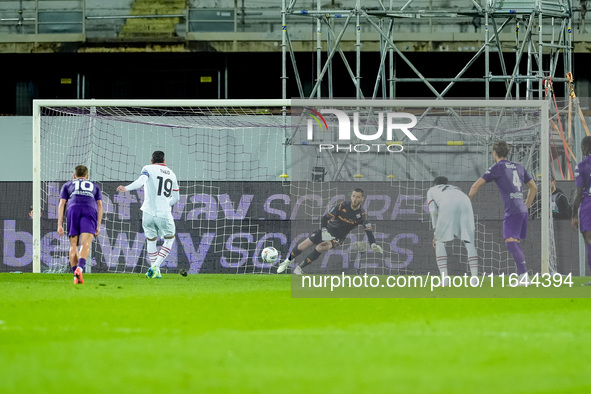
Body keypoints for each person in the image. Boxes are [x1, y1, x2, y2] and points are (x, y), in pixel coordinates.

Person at [469, 141, 537, 286]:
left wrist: (468, 203)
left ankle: (524, 277)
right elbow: (534, 187)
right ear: (508, 153)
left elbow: (475, 185)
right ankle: (522, 277)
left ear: (494, 153)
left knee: (510, 243)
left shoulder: (498, 167)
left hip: (512, 209)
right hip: (521, 208)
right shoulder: (519, 167)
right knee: (515, 242)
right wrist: (526, 205)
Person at [276, 188, 383, 275]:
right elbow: (324, 219)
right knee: (302, 246)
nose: (355, 199)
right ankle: (287, 261)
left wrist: (373, 244)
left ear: (362, 199)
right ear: (351, 196)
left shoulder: (362, 215)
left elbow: (368, 231)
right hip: (326, 231)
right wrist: (324, 231)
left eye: (358, 197)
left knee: (321, 247)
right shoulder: (342, 205)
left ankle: (299, 268)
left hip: (338, 237)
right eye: (353, 196)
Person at [117, 151, 179, 279]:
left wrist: (126, 188)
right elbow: (176, 198)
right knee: (169, 239)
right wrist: (166, 204)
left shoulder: (148, 168)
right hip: (163, 213)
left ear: (151, 160)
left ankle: (155, 271)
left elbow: (141, 181)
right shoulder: (172, 174)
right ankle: (155, 267)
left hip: (148, 213)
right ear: (164, 160)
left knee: (151, 240)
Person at [426, 176, 478, 286]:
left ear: (434, 184)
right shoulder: (455, 188)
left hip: (448, 204)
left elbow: (433, 211)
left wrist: (436, 232)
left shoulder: (432, 190)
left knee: (439, 242)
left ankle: (445, 279)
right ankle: (474, 279)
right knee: (469, 242)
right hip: (466, 202)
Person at [57, 165, 103, 284]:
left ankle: (75, 277)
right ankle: (80, 268)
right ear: (87, 176)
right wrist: (98, 225)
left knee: (73, 245)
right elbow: (100, 205)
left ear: (74, 176)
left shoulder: (67, 185)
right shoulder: (94, 185)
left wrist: (59, 225)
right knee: (86, 244)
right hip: (89, 210)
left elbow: (62, 204)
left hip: (73, 210)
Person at [571, 136, 591, 286]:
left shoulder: (581, 165)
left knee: (589, 241)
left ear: (584, 148)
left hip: (588, 206)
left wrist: (574, 215)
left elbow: (578, 193)